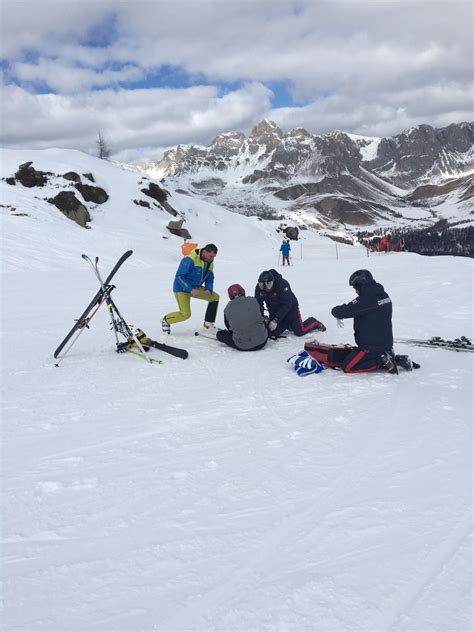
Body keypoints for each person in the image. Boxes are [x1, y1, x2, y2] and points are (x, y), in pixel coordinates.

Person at [330, 269, 398, 373]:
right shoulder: (383, 295)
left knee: (348, 366)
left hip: (371, 347)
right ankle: (386, 354)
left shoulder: (367, 300)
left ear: (363, 284)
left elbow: (343, 311)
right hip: (384, 343)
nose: (355, 291)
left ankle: (381, 360)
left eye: (356, 287)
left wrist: (334, 311)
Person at [162, 244, 219, 333]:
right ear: (204, 252)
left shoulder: (210, 263)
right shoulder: (190, 259)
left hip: (196, 288)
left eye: (214, 257)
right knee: (185, 314)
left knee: (215, 297)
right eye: (211, 256)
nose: (212, 259)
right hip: (182, 288)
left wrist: (208, 289)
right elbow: (179, 276)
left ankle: (208, 324)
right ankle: (166, 320)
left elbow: (209, 278)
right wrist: (190, 289)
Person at [255, 269, 326, 338]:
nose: (266, 288)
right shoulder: (259, 289)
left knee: (299, 331)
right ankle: (288, 325)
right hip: (275, 311)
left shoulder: (282, 285)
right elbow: (258, 304)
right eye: (262, 285)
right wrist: (261, 317)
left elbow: (287, 304)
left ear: (273, 282)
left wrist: (275, 320)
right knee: (270, 332)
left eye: (268, 284)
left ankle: (314, 322)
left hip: (291, 310)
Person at [216, 284, 268, 351]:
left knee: (220, 334)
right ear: (243, 291)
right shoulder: (253, 300)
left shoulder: (227, 309)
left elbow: (228, 326)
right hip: (262, 340)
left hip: (243, 345)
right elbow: (260, 314)